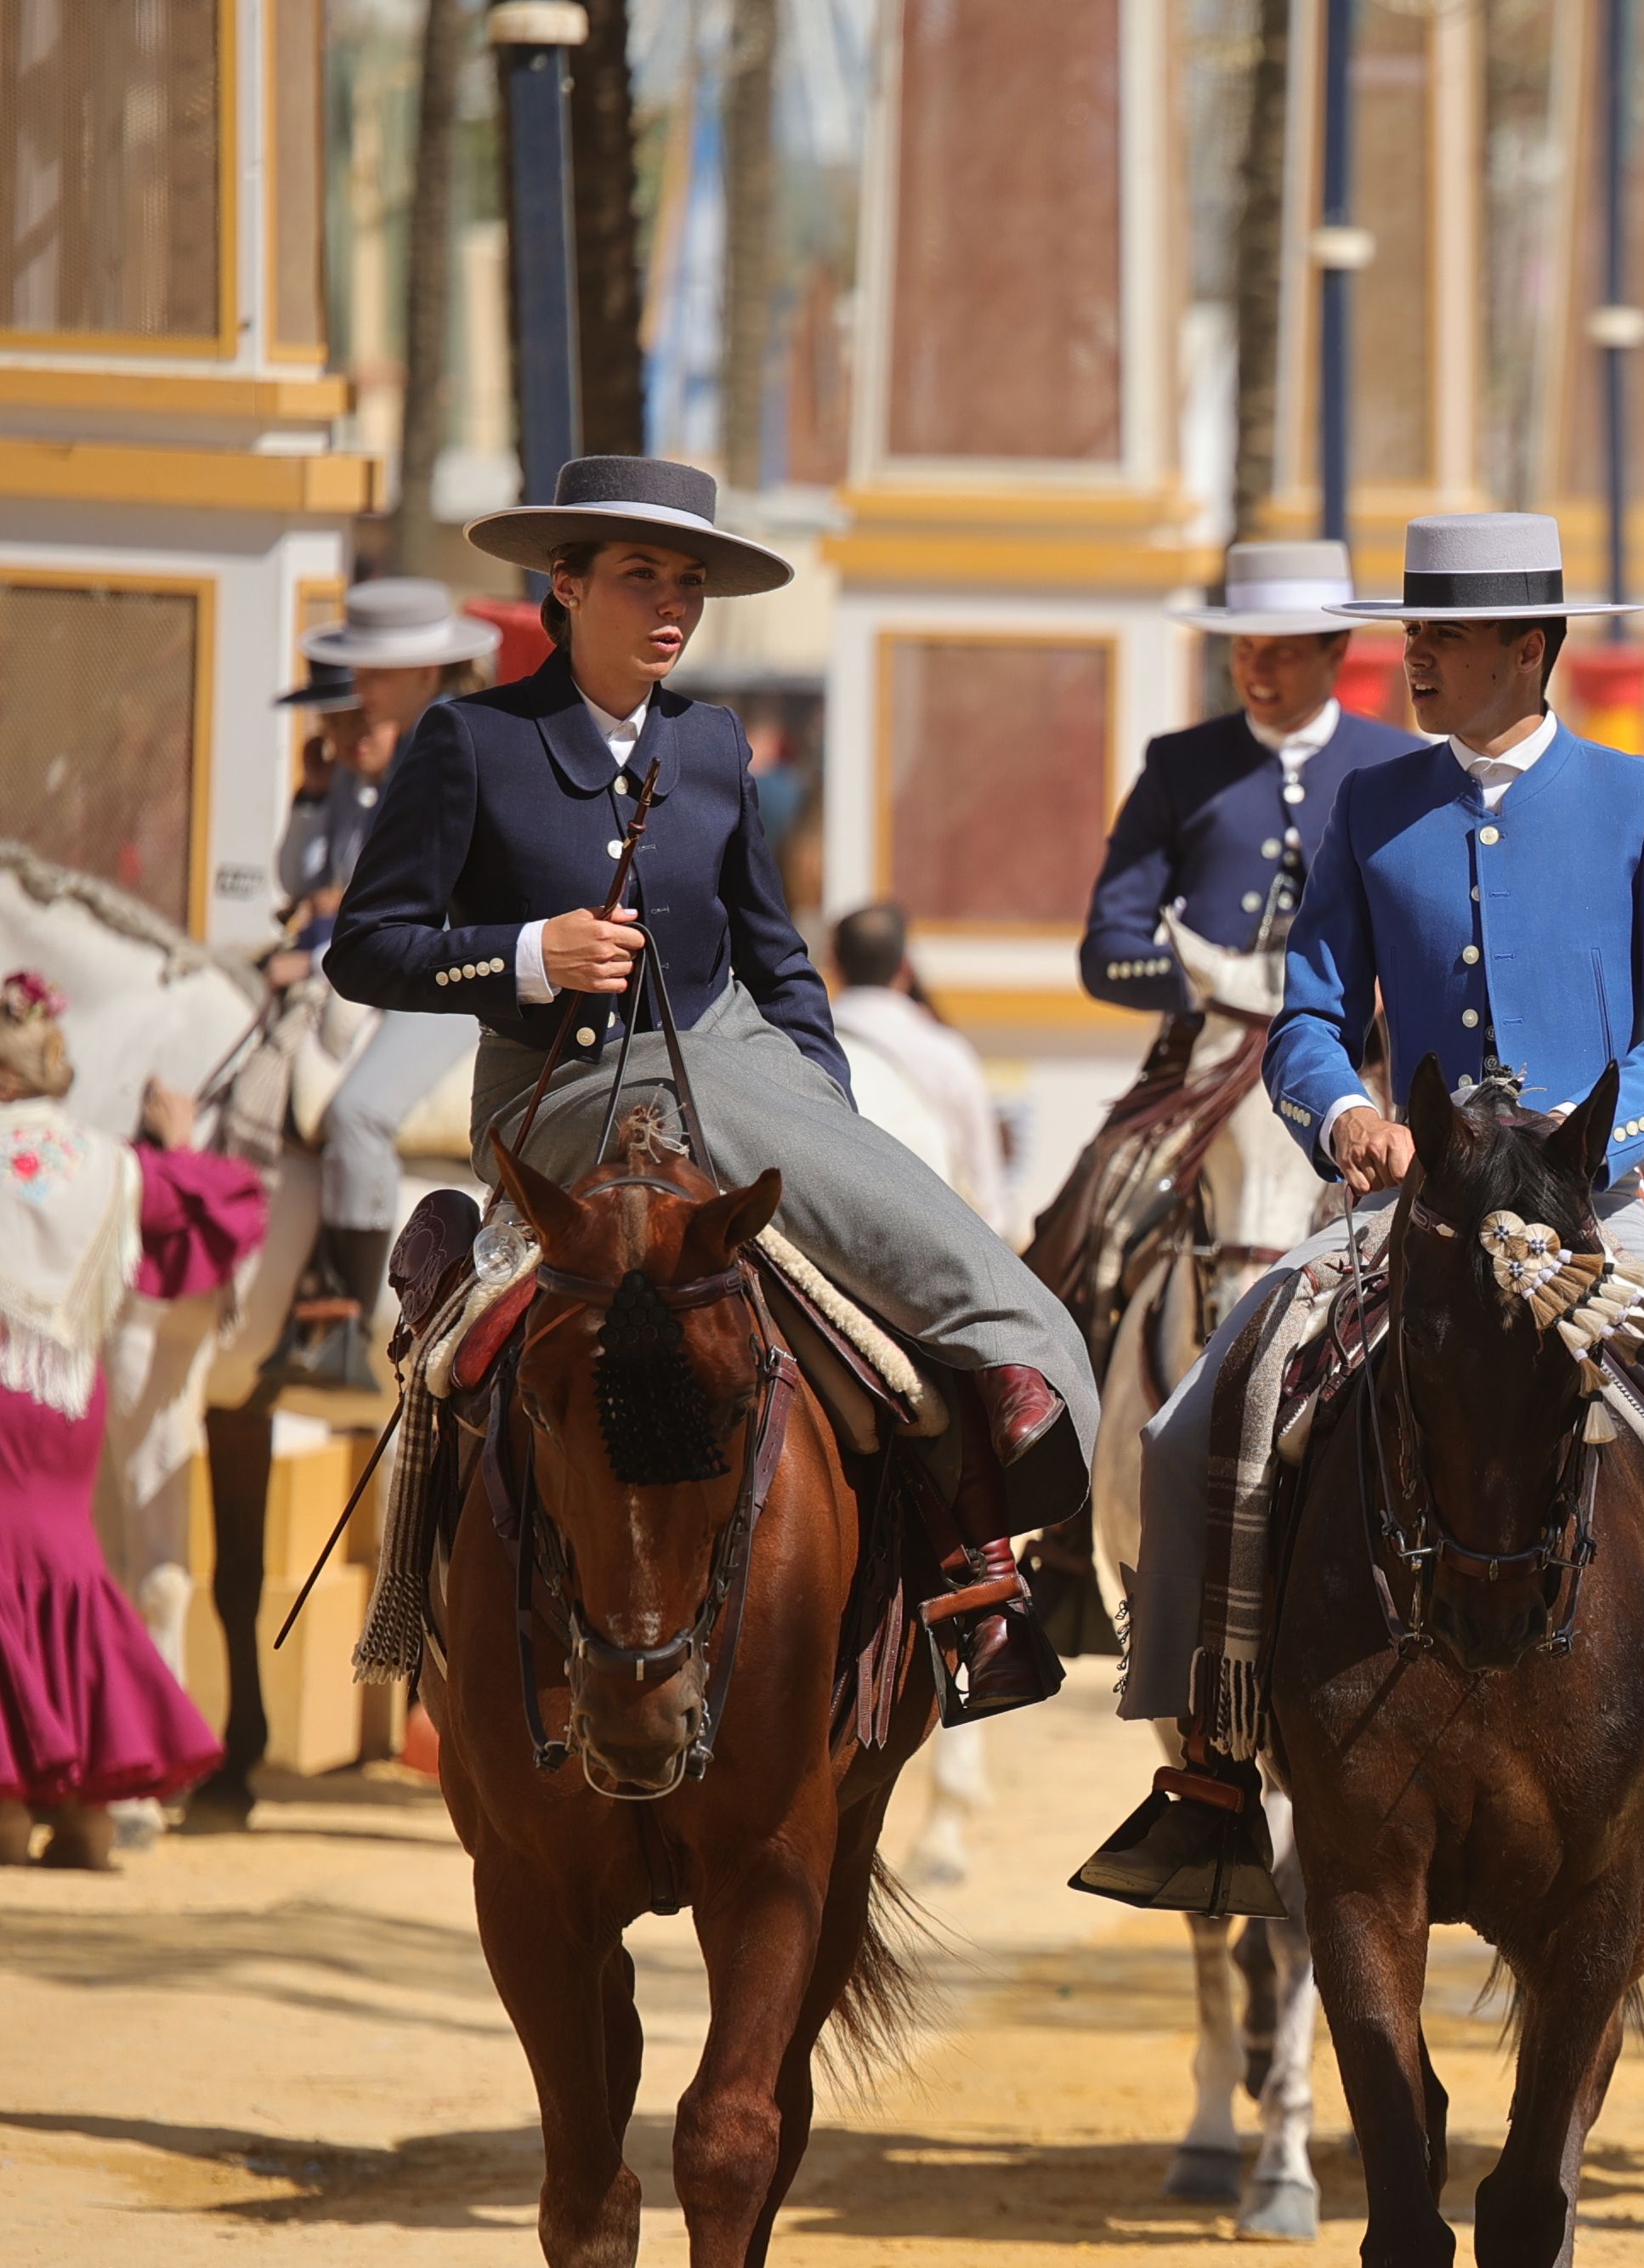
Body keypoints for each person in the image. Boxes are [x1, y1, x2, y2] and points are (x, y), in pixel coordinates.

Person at [1074, 510, 1644, 1944]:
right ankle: (1214, 1779)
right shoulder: (1375, 806)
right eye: (1409, 630)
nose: (1410, 655)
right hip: (1404, 1220)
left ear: (1529, 649)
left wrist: (1569, 1133)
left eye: (1445, 634)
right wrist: (1338, 1113)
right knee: (1190, 1429)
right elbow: (1309, 1014)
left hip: (1591, 1223)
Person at [327, 454, 1097, 1720]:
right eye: (642, 577)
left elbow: (776, 954)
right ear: (564, 586)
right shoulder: (467, 744)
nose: (674, 604)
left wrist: (825, 1100)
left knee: (850, 1197)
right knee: (732, 1142)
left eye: (690, 580)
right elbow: (366, 946)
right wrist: (529, 954)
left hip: (733, 1054)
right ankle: (1002, 1381)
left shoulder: (718, 740)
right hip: (559, 1094)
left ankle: (976, 1535)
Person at [0, 972, 269, 1867]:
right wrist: (180, 1144)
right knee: (71, 1572)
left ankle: (8, 1802)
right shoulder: (110, 1166)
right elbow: (224, 1197)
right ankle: (81, 1809)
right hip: (69, 1397)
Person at [273, 580, 495, 1390]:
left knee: (360, 1111)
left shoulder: (452, 747)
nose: (354, 696)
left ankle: (346, 1330)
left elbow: (413, 896)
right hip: (381, 968)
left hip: (447, 974)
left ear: (427, 670)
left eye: (372, 674)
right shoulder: (404, 757)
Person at [1076, 536, 1435, 1037]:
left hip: (1363, 1052)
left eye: (1282, 653)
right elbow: (1108, 948)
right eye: (1245, 648)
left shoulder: (1405, 764)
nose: (1256, 670)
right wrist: (1212, 980)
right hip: (1207, 1050)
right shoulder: (1177, 765)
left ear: (1336, 651)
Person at [827, 904, 1012, 1239]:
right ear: (905, 966)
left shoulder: (803, 1046)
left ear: (835, 964)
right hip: (935, 1251)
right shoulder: (946, 1054)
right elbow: (988, 1200)